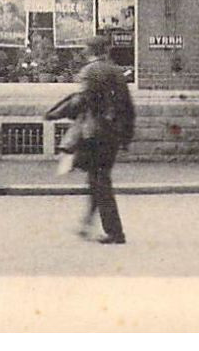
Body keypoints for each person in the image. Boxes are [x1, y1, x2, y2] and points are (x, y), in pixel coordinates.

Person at [73, 35, 135, 245]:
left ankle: (115, 232)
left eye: (85, 48)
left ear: (90, 50)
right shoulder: (117, 71)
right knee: (97, 178)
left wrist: (56, 112)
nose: (82, 51)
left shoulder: (89, 72)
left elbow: (80, 101)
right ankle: (87, 223)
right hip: (113, 134)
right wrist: (126, 137)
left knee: (99, 180)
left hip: (95, 134)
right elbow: (128, 107)